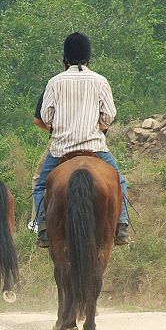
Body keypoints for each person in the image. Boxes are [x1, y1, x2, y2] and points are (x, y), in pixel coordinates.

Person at [32, 32, 131, 248]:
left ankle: (43, 228)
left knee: (40, 185)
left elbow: (45, 117)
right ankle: (121, 225)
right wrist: (98, 125)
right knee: (119, 180)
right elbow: (109, 116)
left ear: (64, 58)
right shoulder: (100, 81)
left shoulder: (55, 82)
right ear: (88, 57)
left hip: (61, 149)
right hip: (94, 146)